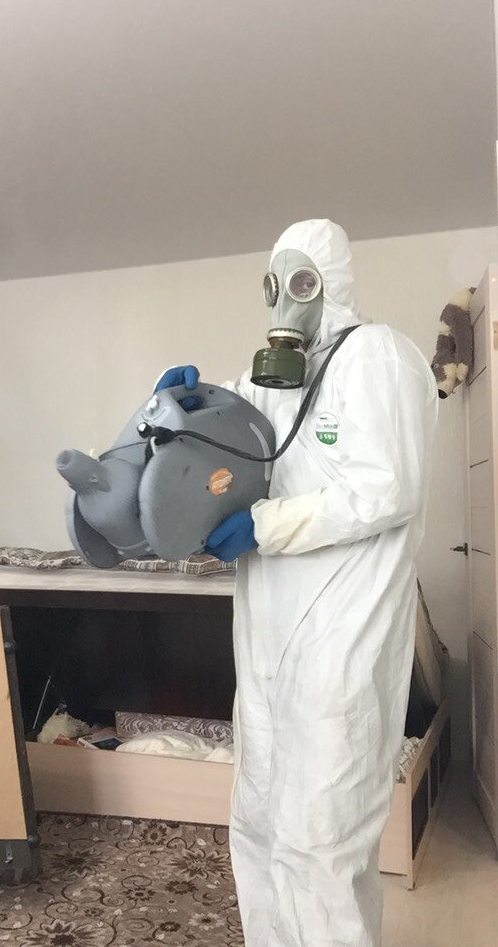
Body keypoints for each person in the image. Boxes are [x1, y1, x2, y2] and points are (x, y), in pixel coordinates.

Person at [155, 220, 438, 946]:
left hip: (343, 628)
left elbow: (387, 488)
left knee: (321, 839)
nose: (289, 299)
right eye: (277, 284)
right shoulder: (272, 378)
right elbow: (233, 427)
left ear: (333, 282)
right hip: (267, 634)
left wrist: (265, 526)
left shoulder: (375, 355)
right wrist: (186, 402)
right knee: (257, 822)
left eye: (304, 281)